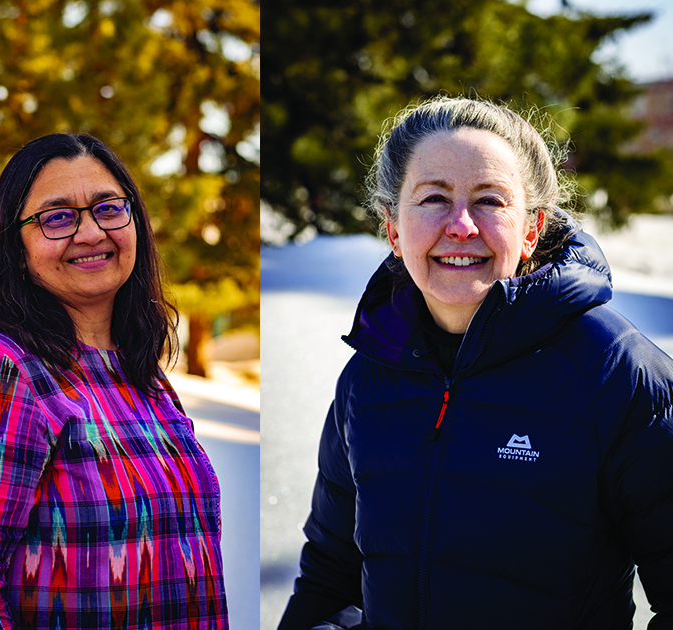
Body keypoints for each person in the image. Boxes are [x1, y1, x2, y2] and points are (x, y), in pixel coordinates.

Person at [279, 97, 673, 629]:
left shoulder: (616, 375)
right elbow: (330, 577)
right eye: (434, 198)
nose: (461, 225)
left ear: (531, 230)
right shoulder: (367, 379)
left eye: (490, 200)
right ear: (393, 229)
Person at [0, 133, 228, 629]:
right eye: (57, 217)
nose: (90, 232)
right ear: (16, 248)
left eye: (107, 207)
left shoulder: (139, 375)